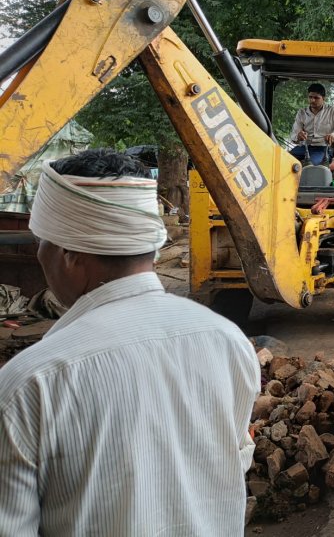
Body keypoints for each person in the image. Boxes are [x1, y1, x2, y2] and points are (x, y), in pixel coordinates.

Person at [0, 149, 260, 535]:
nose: (39, 254)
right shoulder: (228, 342)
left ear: (69, 254)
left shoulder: (29, 383)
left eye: (43, 241)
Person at [290, 83, 334, 165]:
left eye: (316, 98)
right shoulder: (301, 112)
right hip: (303, 147)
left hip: (323, 148)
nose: (312, 100)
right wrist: (298, 136)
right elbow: (293, 135)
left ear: (323, 98)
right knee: (283, 160)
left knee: (310, 166)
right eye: (310, 97)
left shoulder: (333, 111)